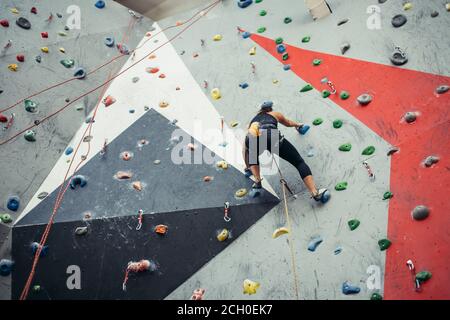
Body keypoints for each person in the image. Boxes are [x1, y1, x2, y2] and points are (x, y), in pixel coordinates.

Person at [242, 101, 328, 202]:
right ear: (270, 109)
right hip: (271, 137)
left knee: (252, 150)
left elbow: (245, 150)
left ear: (260, 110)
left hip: (251, 140)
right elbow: (288, 123)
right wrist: (298, 125)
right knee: (298, 162)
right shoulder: (275, 114)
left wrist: (248, 167)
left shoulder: (252, 122)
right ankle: (315, 193)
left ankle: (257, 181)